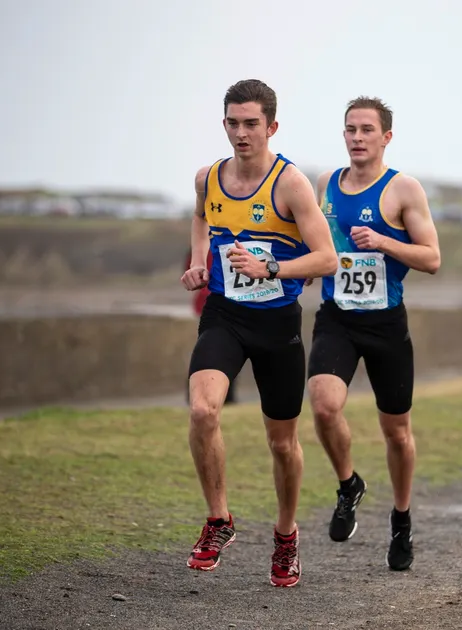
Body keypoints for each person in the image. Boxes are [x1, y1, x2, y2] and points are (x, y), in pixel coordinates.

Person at [180, 78, 338, 588]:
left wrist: (270, 270)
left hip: (277, 324)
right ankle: (219, 520)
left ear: (271, 126)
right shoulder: (208, 178)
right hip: (225, 315)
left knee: (282, 443)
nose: (241, 132)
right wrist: (200, 263)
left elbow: (327, 258)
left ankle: (286, 534)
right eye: (233, 122)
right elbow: (203, 221)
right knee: (204, 409)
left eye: (251, 124)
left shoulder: (290, 184)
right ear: (223, 124)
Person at [306, 96, 441, 571]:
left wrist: (384, 240)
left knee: (398, 434)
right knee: (323, 405)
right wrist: (305, 268)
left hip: (385, 323)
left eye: (366, 130)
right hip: (337, 316)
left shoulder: (403, 190)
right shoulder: (326, 183)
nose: (357, 138)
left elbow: (432, 259)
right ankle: (349, 484)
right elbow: (323, 243)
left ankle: (401, 520)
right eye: (350, 129)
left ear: (386, 137)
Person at [182, 248, 235, 406]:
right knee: (211, 352)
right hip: (210, 305)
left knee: (218, 352)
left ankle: (222, 396)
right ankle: (209, 396)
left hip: (216, 302)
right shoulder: (203, 247)